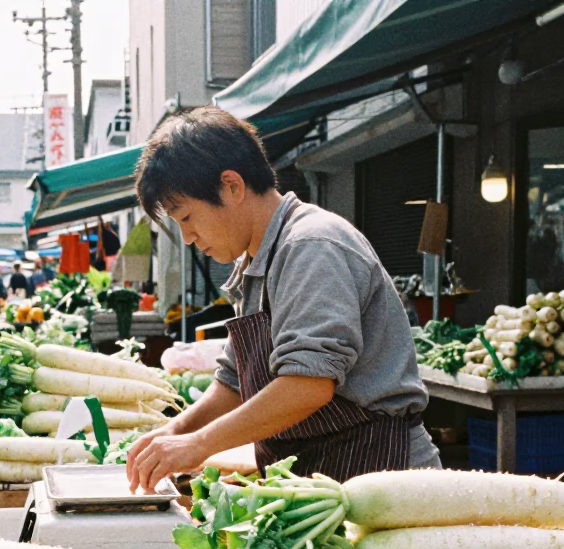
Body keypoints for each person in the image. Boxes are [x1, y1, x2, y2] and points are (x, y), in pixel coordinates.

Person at [125, 107, 439, 493]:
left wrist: (200, 445)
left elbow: (308, 385)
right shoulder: (257, 260)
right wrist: (175, 430)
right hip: (325, 471)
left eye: (187, 217)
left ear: (232, 186)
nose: (188, 237)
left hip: (382, 474)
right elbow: (233, 381)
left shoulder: (310, 245)